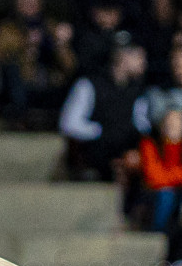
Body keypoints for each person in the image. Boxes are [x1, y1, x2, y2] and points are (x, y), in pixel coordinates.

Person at [59, 41, 148, 182]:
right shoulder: (89, 85)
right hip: (95, 151)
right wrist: (103, 131)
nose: (144, 62)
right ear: (122, 57)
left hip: (125, 152)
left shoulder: (137, 90)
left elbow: (142, 125)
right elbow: (68, 124)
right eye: (138, 57)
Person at [136, 109, 182, 232]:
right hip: (156, 195)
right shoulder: (149, 144)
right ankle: (159, 234)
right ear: (161, 125)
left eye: (177, 122)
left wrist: (167, 175)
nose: (172, 126)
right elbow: (153, 177)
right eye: (168, 122)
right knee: (166, 194)